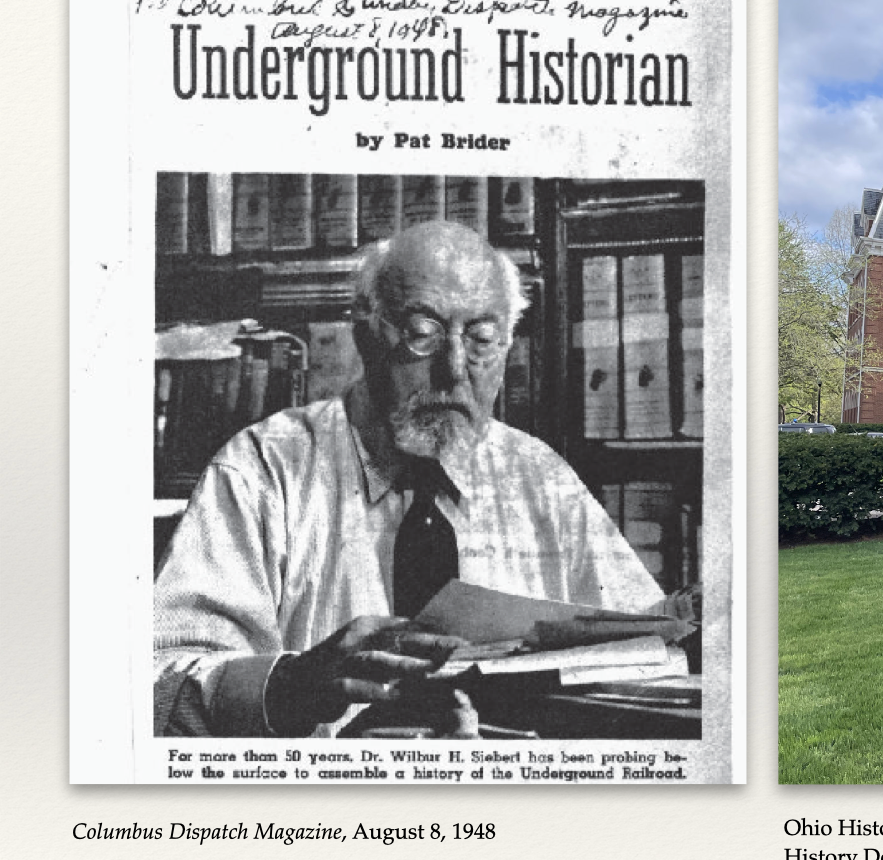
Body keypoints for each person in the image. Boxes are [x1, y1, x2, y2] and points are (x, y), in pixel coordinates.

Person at [154, 221, 664, 737]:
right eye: (422, 334)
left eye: (482, 340)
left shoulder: (540, 477)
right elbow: (160, 689)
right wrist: (294, 684)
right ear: (365, 336)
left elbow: (646, 651)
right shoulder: (264, 469)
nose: (454, 369)